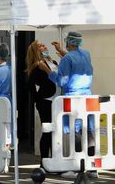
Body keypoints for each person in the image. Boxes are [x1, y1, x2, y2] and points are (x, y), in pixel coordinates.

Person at [38, 31, 96, 179]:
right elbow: (75, 59)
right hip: (87, 96)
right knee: (88, 132)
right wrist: (61, 51)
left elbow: (62, 81)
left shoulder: (66, 59)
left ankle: (75, 166)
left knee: (74, 132)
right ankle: (92, 167)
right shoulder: (86, 54)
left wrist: (48, 71)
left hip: (72, 97)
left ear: (68, 42)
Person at [25, 40, 59, 167]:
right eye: (40, 46)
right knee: (47, 131)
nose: (44, 46)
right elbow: (30, 86)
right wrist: (38, 100)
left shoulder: (53, 62)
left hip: (57, 100)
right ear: (35, 51)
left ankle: (53, 159)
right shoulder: (37, 65)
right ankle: (44, 161)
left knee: (55, 131)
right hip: (46, 101)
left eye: (44, 45)